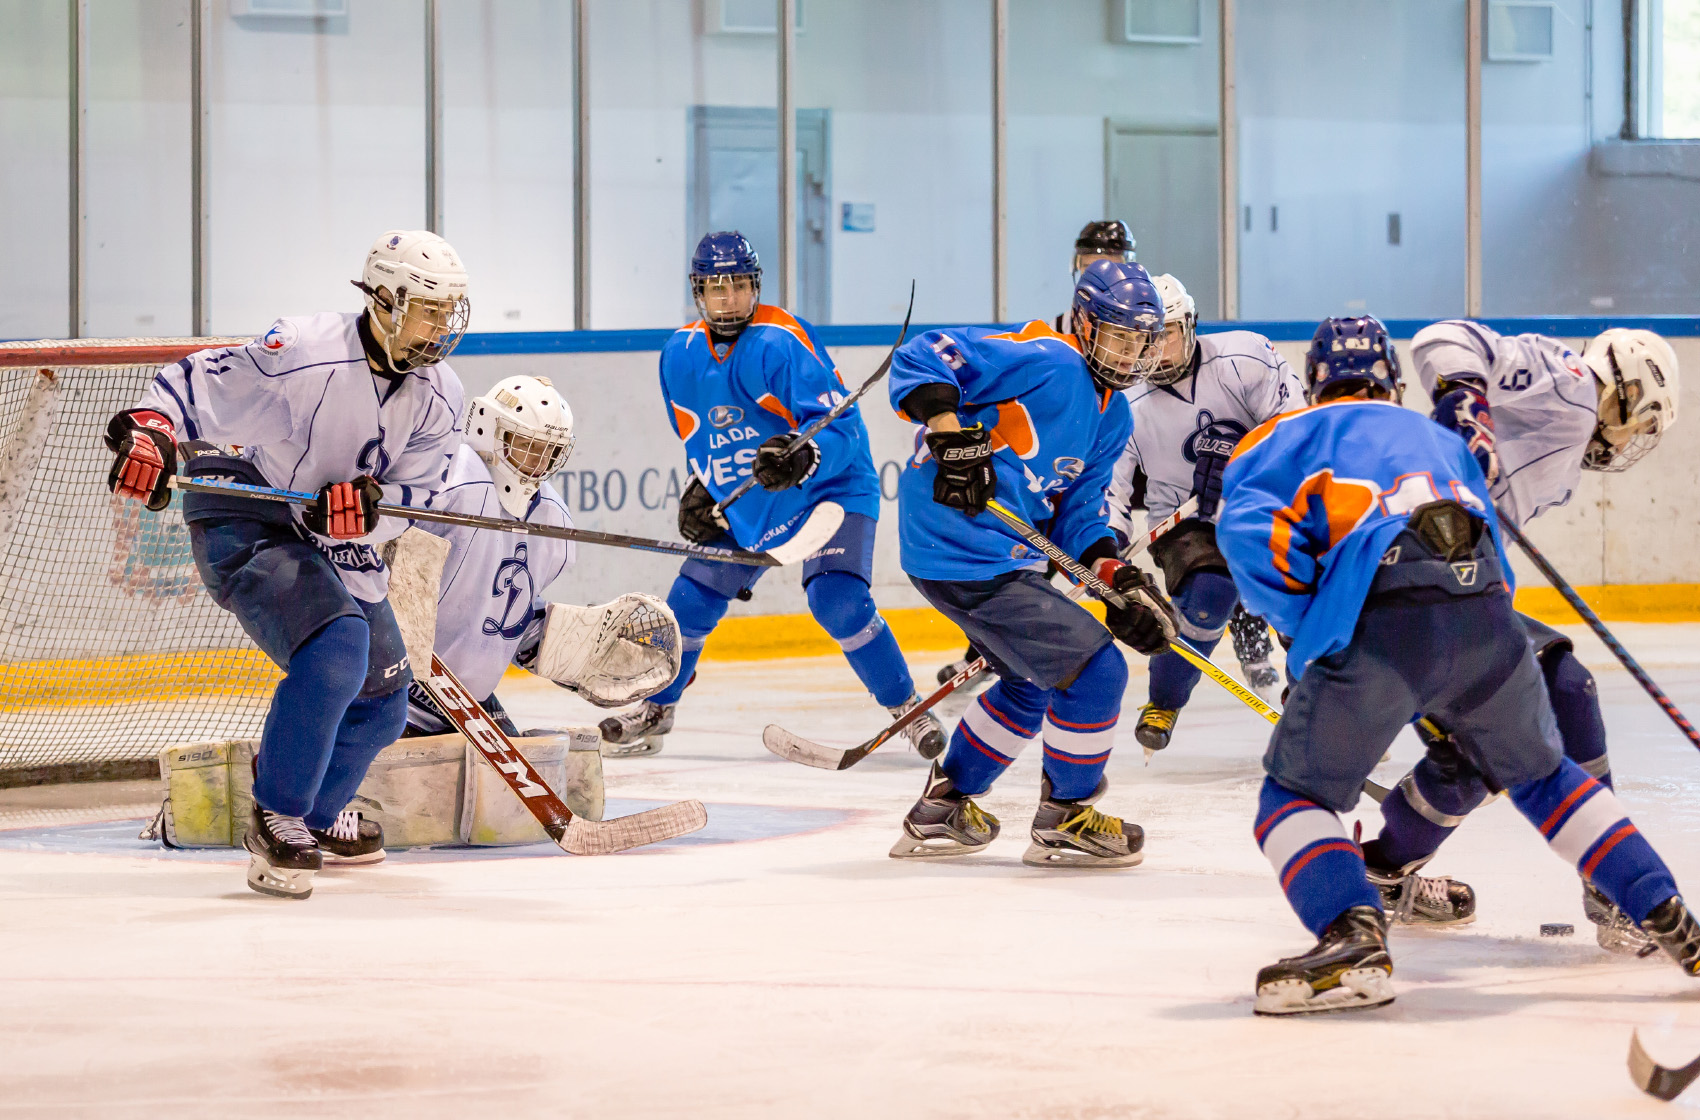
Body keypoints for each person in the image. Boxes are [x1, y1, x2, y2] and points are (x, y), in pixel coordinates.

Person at [1216, 315, 1699, 1016]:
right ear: (1392, 382)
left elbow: (1253, 539)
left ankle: (1353, 932)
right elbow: (1495, 555)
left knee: (1292, 800)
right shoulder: (1438, 438)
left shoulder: (1278, 436)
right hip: (1486, 615)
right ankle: (1666, 912)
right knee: (1545, 778)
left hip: (1377, 618)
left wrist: (1311, 632)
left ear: (1313, 381)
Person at [104, 230, 469, 898]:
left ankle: (317, 818)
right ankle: (278, 815)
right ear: (385, 301)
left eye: (450, 311)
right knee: (338, 646)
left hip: (323, 532)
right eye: (428, 309)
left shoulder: (441, 394)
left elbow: (419, 495)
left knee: (384, 701)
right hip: (245, 501)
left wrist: (372, 508)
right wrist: (152, 432)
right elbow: (192, 386)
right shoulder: (301, 350)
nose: (441, 326)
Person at [1364, 321, 1682, 946]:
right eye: (1639, 422)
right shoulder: (1571, 387)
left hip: (1446, 587)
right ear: (1625, 388)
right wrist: (1464, 404)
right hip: (1405, 577)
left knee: (1477, 754)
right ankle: (1612, 884)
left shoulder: (1567, 432)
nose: (1629, 441)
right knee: (1565, 687)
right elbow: (1442, 338)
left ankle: (1381, 868)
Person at [598, 232, 940, 758]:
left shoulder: (780, 342)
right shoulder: (678, 357)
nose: (727, 299)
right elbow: (701, 439)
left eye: (737, 285)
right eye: (715, 287)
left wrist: (805, 454)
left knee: (838, 602)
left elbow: (843, 430)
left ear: (755, 286)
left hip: (830, 489)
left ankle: (908, 708)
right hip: (753, 501)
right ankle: (658, 708)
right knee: (686, 604)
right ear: (697, 292)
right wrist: (705, 490)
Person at [885, 259, 1177, 868]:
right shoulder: (1048, 357)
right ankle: (1067, 817)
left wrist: (1113, 578)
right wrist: (947, 431)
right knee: (1096, 671)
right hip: (957, 542)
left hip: (998, 556)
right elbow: (922, 352)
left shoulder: (1113, 415)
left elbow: (1076, 520)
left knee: (1029, 682)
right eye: (1118, 338)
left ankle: (944, 808)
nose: (1128, 356)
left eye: (1140, 343)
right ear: (1087, 325)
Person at [403, 375, 682, 741]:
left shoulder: (552, 517)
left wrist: (575, 650)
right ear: (489, 428)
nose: (537, 463)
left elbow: (503, 615)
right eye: (526, 445)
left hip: (469, 702)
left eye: (548, 451)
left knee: (537, 785)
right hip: (398, 695)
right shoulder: (445, 483)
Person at [1105, 273, 1302, 753]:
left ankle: (1312, 697)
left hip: (1265, 505)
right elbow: (1107, 485)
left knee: (1296, 594)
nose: (1156, 350)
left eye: (1167, 334)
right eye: (1145, 339)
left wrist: (1244, 458)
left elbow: (1297, 432)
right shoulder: (1122, 401)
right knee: (1210, 592)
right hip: (1182, 516)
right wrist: (1106, 544)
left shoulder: (1245, 357)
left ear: (1190, 325)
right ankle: (1165, 700)